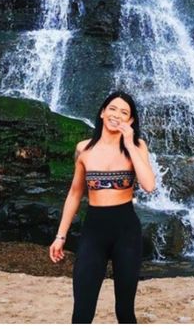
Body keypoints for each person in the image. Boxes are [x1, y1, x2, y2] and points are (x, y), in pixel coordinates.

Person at [50, 91, 157, 323]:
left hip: (126, 232)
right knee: (82, 313)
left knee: (125, 311)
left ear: (130, 121)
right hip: (93, 231)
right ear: (102, 112)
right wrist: (60, 236)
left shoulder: (137, 146)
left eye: (124, 112)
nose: (116, 115)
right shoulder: (84, 149)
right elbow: (75, 193)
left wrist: (129, 143)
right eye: (112, 108)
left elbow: (149, 185)